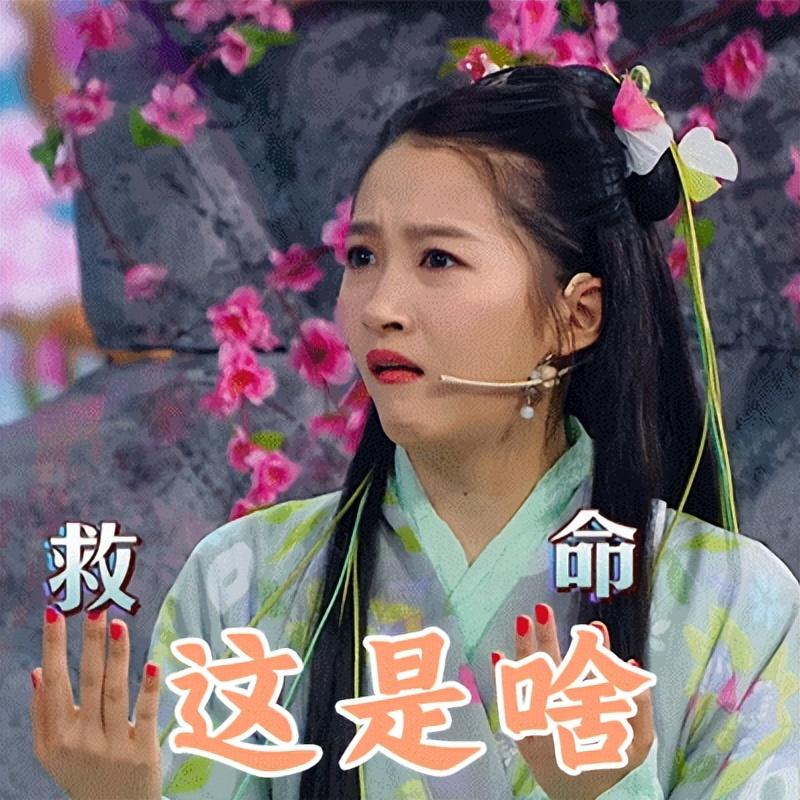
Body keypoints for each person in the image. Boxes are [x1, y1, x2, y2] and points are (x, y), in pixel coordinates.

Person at [30, 64, 800, 800]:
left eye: (438, 258)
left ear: (575, 316)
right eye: (363, 256)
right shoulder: (245, 580)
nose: (378, 307)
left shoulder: (732, 602)